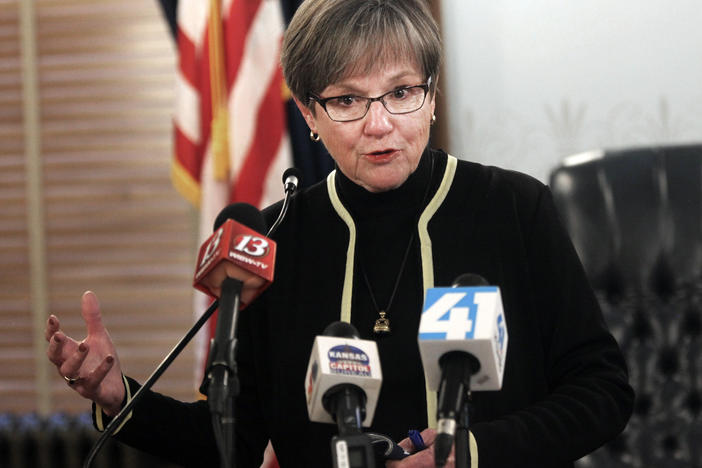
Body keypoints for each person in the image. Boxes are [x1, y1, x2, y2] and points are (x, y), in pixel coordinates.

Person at [45, 0, 634, 467]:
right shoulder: (278, 238)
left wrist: (473, 453)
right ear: (308, 114)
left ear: (431, 95)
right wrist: (120, 397)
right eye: (348, 100)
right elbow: (232, 438)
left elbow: (602, 392)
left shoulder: (514, 208)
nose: (380, 125)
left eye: (402, 93)